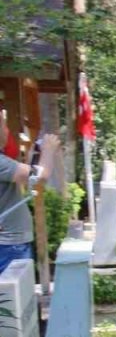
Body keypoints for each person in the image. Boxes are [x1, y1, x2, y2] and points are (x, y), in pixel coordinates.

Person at [0, 112, 56, 274]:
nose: (7, 131)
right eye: (3, 125)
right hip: (9, 245)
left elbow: (28, 173)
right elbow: (39, 177)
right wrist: (49, 149)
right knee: (14, 296)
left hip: (10, 243)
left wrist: (37, 156)